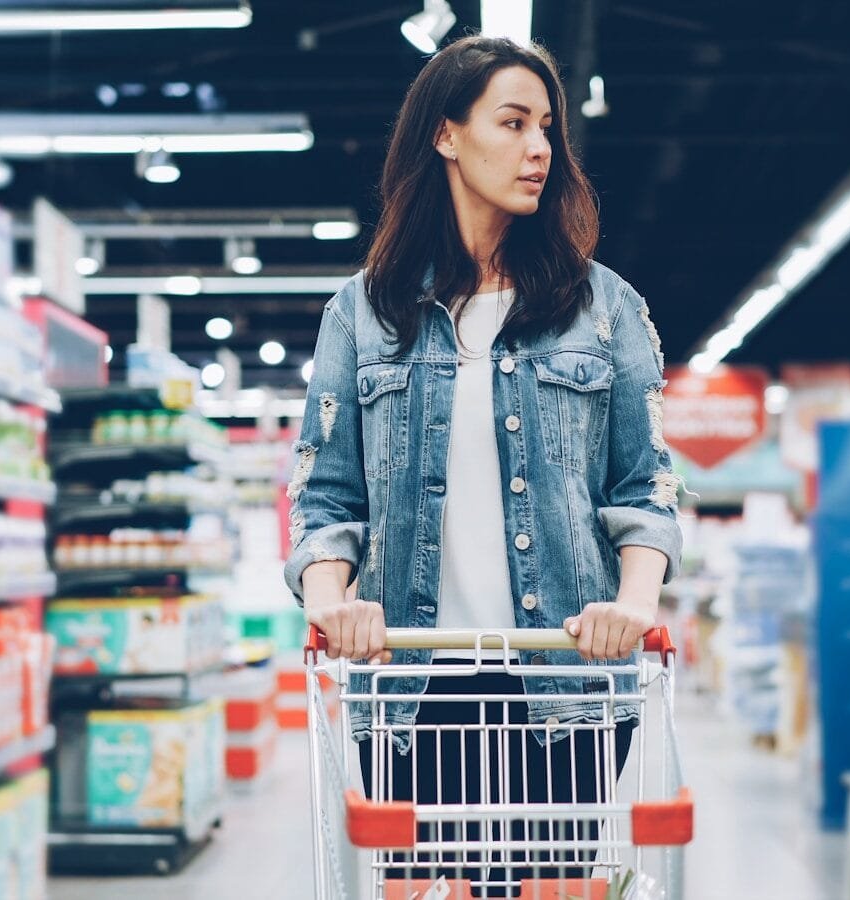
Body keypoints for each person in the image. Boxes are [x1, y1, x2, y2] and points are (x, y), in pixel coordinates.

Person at [284, 34, 682, 892]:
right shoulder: (364, 313)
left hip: (566, 679)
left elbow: (645, 483)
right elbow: (323, 494)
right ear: (447, 135)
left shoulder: (604, 307)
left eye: (547, 128)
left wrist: (633, 604)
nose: (539, 148)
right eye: (513, 122)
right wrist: (332, 605)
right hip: (408, 688)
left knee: (552, 887)